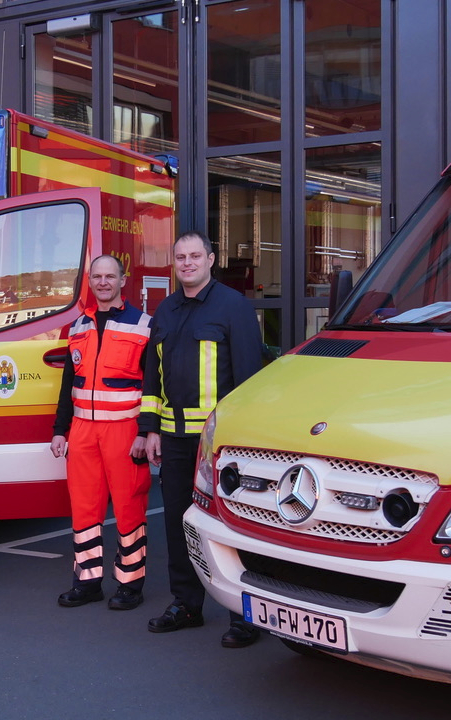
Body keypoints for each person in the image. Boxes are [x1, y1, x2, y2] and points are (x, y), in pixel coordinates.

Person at [140, 232, 264, 648]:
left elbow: (248, 378)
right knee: (179, 526)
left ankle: (244, 616)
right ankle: (186, 605)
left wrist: (241, 441)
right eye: (180, 257)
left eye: (195, 256)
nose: (188, 263)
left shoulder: (233, 307)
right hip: (174, 441)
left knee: (230, 528)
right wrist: (149, 428)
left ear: (211, 259)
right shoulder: (165, 312)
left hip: (218, 445)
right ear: (174, 263)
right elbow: (151, 378)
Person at [51, 254, 152, 611]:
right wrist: (60, 429)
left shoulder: (143, 326)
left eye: (110, 276)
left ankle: (130, 583)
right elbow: (68, 384)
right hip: (81, 430)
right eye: (97, 277)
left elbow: (154, 385)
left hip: (124, 429)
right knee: (84, 508)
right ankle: (87, 580)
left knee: (128, 507)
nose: (104, 282)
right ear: (90, 282)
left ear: (123, 280)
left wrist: (146, 431)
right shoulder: (78, 327)